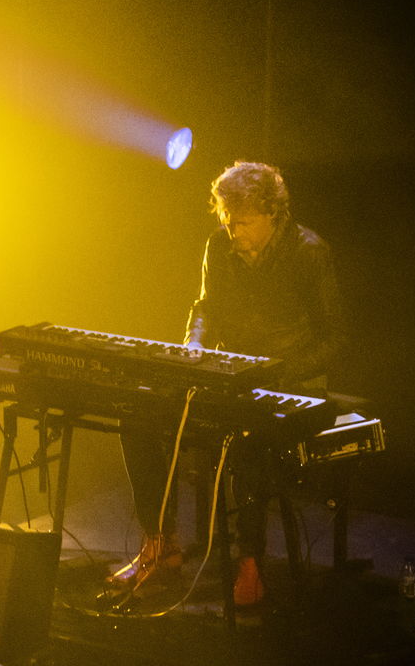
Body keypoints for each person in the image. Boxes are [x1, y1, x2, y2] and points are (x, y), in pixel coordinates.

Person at [113, 160, 349, 607]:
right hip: (229, 374)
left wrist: (280, 373)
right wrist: (193, 345)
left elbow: (337, 338)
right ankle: (161, 544)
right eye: (226, 218)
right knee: (137, 416)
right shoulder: (218, 245)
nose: (231, 229)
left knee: (247, 438)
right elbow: (205, 306)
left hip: (290, 381)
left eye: (242, 222)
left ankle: (250, 562)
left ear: (272, 214)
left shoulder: (309, 251)